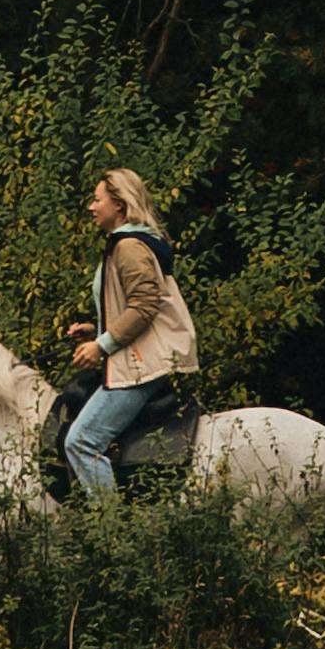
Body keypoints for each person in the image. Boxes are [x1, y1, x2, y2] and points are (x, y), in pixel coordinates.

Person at [61, 167, 200, 508]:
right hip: (138, 356)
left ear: (119, 205)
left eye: (97, 200)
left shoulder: (129, 246)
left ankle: (113, 531)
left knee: (81, 442)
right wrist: (95, 331)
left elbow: (144, 307)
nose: (91, 207)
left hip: (142, 365)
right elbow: (133, 306)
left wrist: (101, 345)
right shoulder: (129, 242)